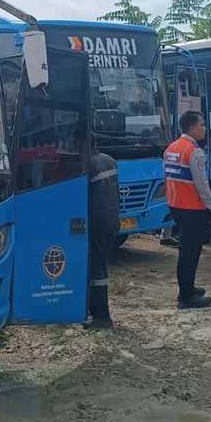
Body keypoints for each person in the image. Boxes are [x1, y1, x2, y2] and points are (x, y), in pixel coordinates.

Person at [163, 111, 211, 309]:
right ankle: (186, 296)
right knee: (190, 252)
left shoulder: (172, 148)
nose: (205, 129)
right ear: (192, 128)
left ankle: (188, 287)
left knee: (186, 250)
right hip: (192, 208)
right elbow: (202, 185)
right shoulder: (193, 151)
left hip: (175, 205)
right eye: (202, 125)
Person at [85, 134, 120, 328]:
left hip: (96, 224)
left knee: (96, 270)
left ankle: (101, 316)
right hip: (112, 222)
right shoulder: (110, 160)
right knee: (100, 266)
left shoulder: (87, 166)